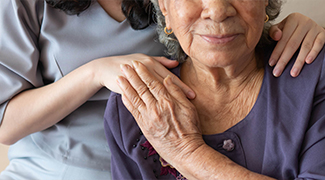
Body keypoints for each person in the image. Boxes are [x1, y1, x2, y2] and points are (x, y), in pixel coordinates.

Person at [0, 0, 324, 179]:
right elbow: (5, 122)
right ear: (165, 11)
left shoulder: (306, 77)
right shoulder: (125, 108)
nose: (215, 9)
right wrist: (95, 73)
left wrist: (299, 24)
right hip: (48, 169)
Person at [104, 0, 325, 179]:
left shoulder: (314, 74)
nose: (218, 11)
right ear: (164, 7)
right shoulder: (134, 104)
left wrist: (187, 153)